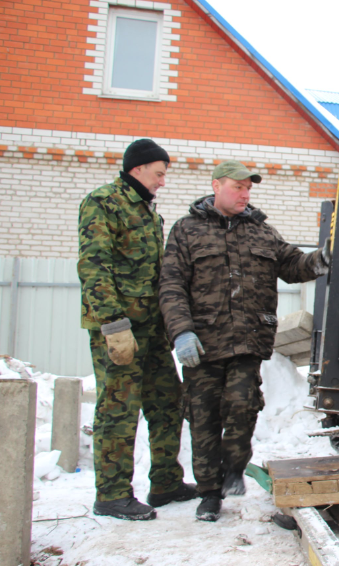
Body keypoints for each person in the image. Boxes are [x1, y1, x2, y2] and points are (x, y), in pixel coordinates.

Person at [158, 160, 330, 522]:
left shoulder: (262, 232)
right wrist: (181, 331)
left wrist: (322, 259)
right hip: (203, 343)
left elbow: (294, 265)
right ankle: (208, 494)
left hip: (248, 341)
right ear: (217, 186)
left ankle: (234, 467)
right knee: (202, 418)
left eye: (249, 188)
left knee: (242, 404)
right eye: (238, 187)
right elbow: (171, 284)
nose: (245, 194)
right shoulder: (187, 231)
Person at [78, 139, 196, 521]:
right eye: (159, 173)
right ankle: (111, 494)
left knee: (167, 404)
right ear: (138, 169)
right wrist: (112, 323)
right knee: (119, 410)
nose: (163, 181)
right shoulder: (102, 203)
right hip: (118, 329)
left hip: (152, 328)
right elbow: (94, 266)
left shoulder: (148, 211)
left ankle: (165, 482)